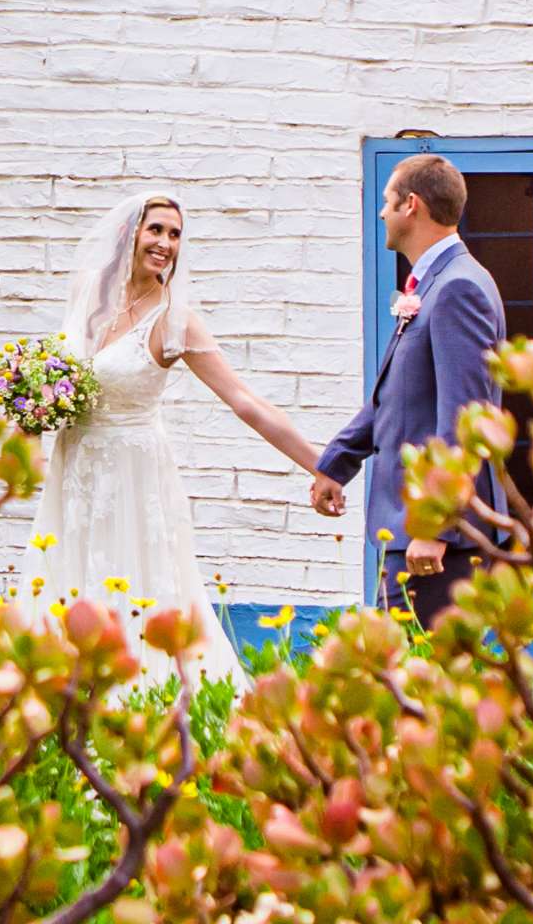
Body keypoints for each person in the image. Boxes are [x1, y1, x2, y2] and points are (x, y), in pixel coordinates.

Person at [22, 192, 329, 689]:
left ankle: (139, 698)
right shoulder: (88, 293)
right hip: (75, 468)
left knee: (133, 584)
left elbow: (244, 400)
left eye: (175, 234)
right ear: (130, 234)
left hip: (132, 473)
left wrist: (321, 465)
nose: (165, 243)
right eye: (157, 230)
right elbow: (57, 377)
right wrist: (29, 404)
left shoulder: (174, 319)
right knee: (66, 576)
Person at [309, 154, 506, 628]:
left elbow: (466, 417)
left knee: (420, 686)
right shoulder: (434, 285)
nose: (381, 213)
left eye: (386, 201)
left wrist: (437, 526)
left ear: (410, 205)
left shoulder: (460, 288)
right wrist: (336, 463)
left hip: (436, 544)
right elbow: (397, 395)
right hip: (407, 530)